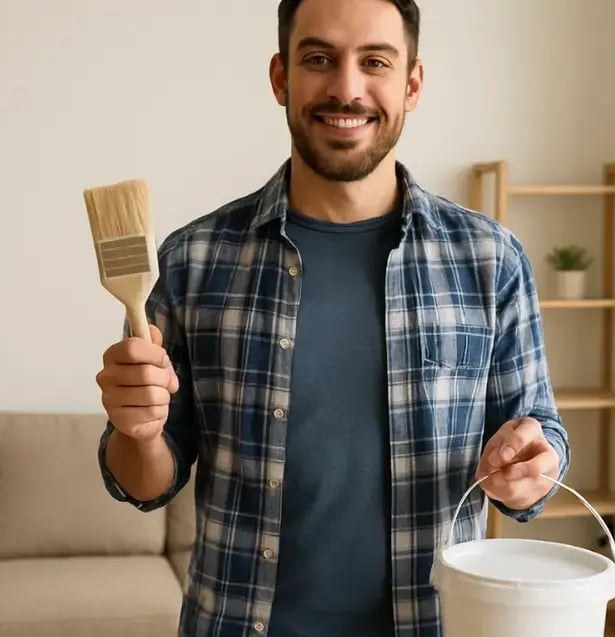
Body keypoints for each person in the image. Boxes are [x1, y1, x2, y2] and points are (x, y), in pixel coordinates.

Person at [95, 0, 569, 634]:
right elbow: (148, 483)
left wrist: (531, 469)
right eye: (318, 59)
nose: (346, 88)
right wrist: (137, 432)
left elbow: (542, 435)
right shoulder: (193, 260)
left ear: (413, 84)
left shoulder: (489, 259)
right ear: (280, 78)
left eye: (375, 61)